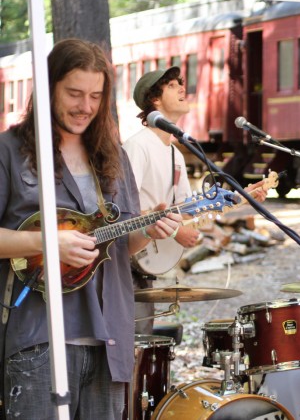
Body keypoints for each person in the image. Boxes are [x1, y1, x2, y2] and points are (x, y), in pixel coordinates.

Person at [0, 38, 182, 419]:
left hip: (109, 338)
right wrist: (50, 243)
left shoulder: (112, 155)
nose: (85, 107)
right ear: (49, 88)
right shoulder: (10, 150)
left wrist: (150, 229)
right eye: (74, 93)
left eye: (95, 96)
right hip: (38, 336)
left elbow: (122, 245)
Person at [124, 67, 271, 334]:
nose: (183, 89)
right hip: (128, 262)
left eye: (181, 83)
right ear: (154, 100)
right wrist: (177, 231)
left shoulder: (175, 154)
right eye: (172, 86)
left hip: (148, 267)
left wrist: (241, 198)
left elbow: (187, 211)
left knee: (143, 343)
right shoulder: (138, 145)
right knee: (132, 345)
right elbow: (124, 207)